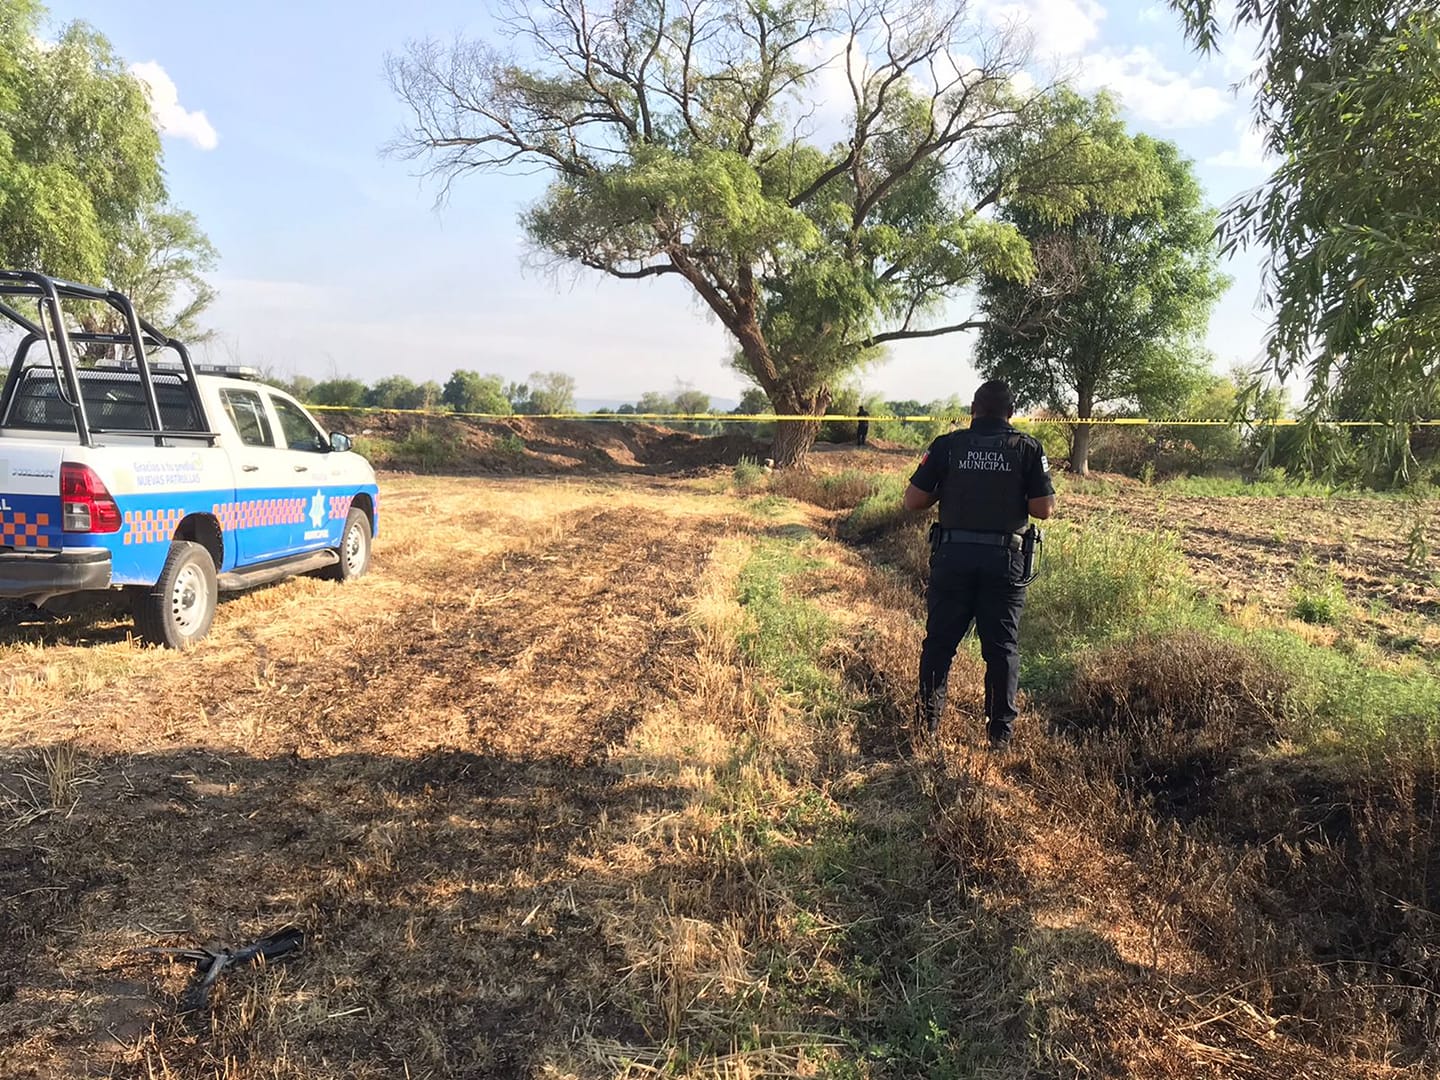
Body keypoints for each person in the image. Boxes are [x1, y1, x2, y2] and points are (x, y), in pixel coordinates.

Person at [901, 380, 1055, 748]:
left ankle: (928, 728)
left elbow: (913, 500)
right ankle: (999, 738)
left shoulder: (947, 446)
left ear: (973, 409)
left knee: (939, 644)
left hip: (953, 559)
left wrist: (948, 489)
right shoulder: (1027, 449)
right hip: (1004, 562)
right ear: (1011, 412)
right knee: (1002, 650)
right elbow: (1043, 509)